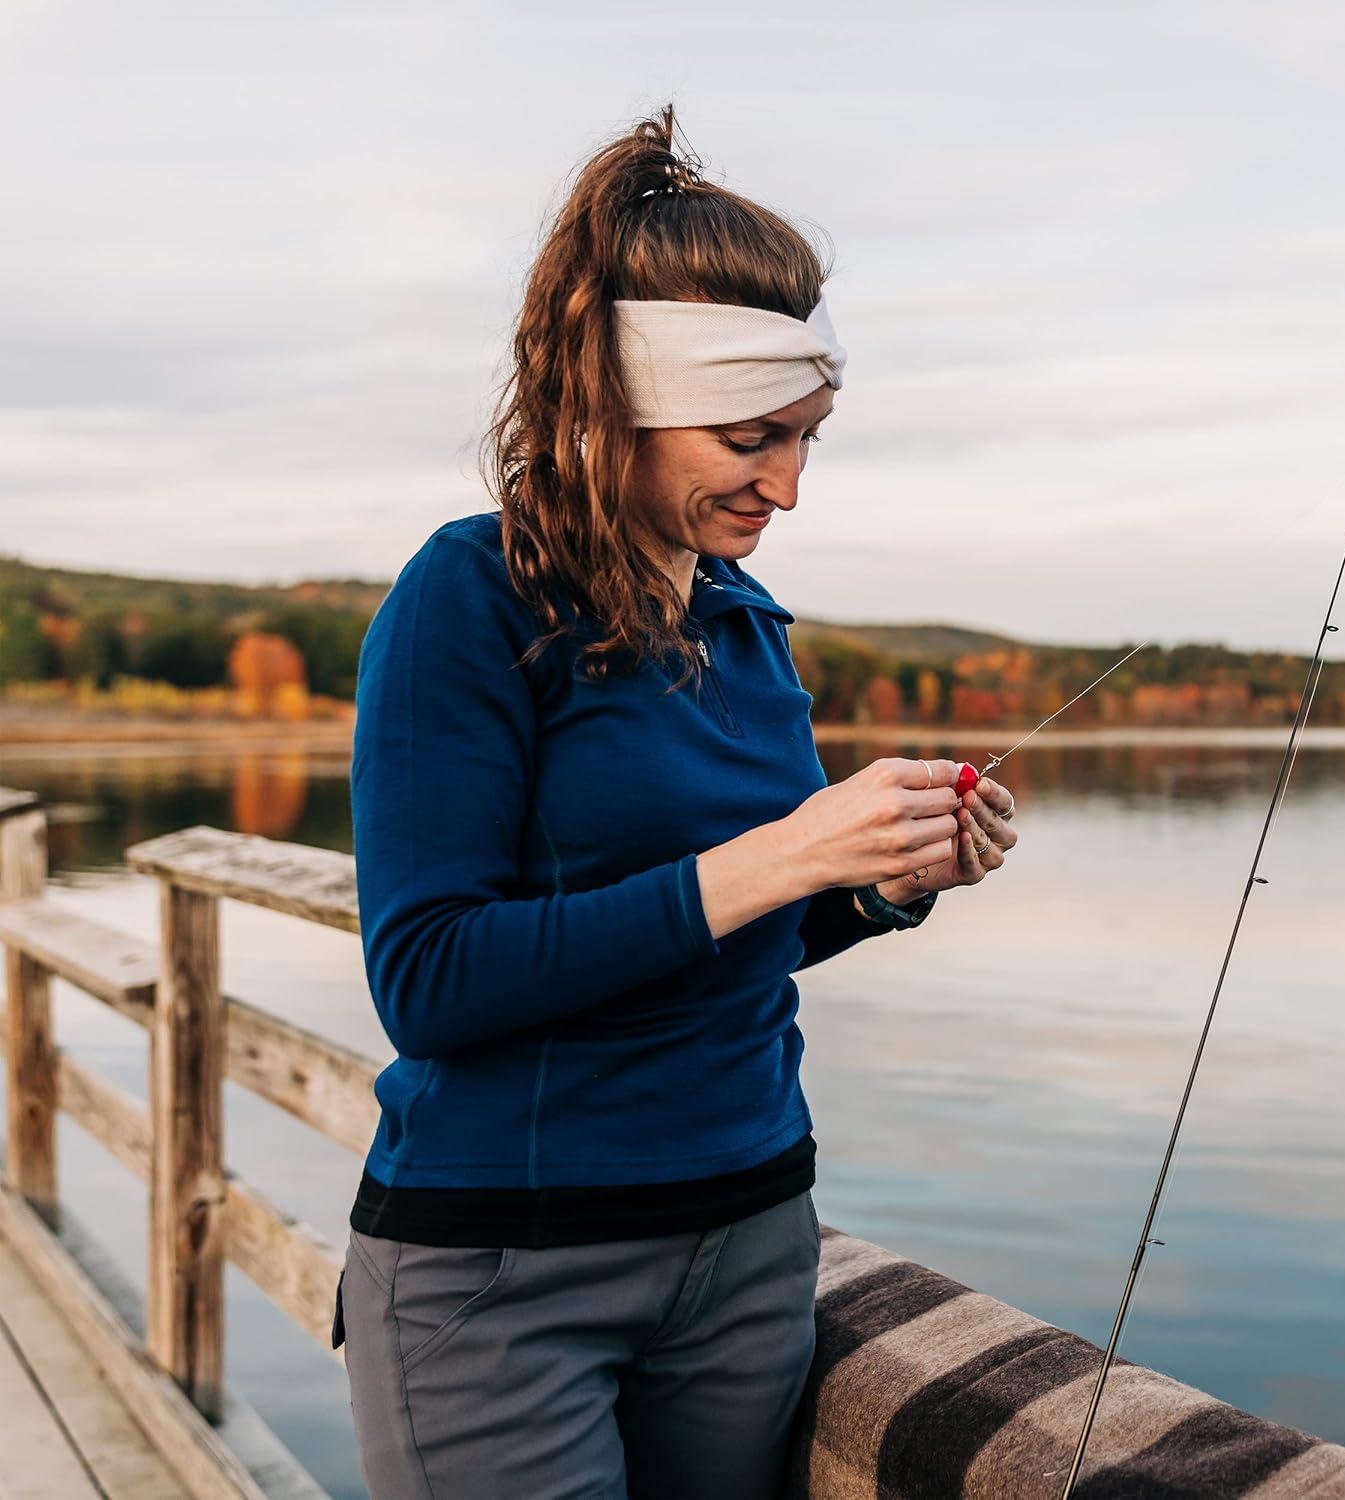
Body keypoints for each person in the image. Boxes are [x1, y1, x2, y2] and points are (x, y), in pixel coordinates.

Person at [332, 106, 1018, 1500]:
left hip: (752, 1242)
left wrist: (876, 885)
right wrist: (780, 854)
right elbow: (432, 979)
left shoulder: (749, 624)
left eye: (810, 437)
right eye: (752, 436)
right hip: (500, 1270)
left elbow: (741, 934)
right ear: (620, 400)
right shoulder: (468, 597)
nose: (789, 485)